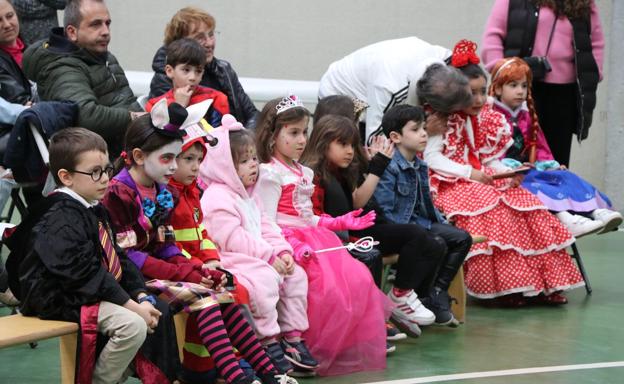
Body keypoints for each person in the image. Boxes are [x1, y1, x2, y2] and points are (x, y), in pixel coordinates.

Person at [102, 102, 293, 384]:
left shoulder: (159, 188)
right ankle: (234, 376)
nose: (175, 166)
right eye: (169, 158)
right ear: (140, 156)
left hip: (156, 272)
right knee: (203, 296)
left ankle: (269, 372)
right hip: (131, 279)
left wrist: (197, 268)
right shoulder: (120, 192)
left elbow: (166, 245)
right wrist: (186, 272)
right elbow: (129, 258)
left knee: (222, 290)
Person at [424, 40, 584, 306]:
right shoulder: (441, 117)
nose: (477, 99)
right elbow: (432, 158)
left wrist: (506, 173)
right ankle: (503, 289)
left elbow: (489, 157)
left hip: (479, 177)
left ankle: (540, 286)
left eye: (482, 91)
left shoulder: (485, 115)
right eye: (470, 93)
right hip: (449, 182)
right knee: (489, 207)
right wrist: (470, 173)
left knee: (527, 204)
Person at [4, 127, 170, 383]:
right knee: (132, 325)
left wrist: (140, 295)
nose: (105, 178)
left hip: (84, 289)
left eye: (106, 169)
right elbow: (81, 273)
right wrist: (132, 306)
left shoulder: (93, 207)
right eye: (95, 172)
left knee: (158, 309)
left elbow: (118, 258)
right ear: (66, 177)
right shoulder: (59, 216)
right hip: (56, 295)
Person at [253, 95, 389, 376]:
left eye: (304, 131)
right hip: (283, 241)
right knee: (319, 284)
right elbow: (265, 220)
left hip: (311, 236)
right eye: (293, 132)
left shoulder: (302, 172)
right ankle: (295, 343)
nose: (302, 139)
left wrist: (339, 221)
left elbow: (307, 216)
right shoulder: (269, 174)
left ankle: (328, 346)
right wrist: (288, 245)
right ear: (271, 136)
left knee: (356, 278)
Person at [302, 111, 470, 334]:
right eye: (343, 144)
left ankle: (411, 298)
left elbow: (356, 203)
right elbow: (328, 213)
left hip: (357, 227)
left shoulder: (342, 170)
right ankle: (386, 306)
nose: (350, 150)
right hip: (340, 235)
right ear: (323, 142)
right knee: (400, 242)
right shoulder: (314, 175)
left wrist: (376, 166)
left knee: (434, 241)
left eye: (352, 144)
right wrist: (378, 167)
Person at [199, 115, 316, 378]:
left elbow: (267, 227)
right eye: (244, 161)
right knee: (262, 280)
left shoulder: (250, 195)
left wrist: (283, 252)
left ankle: (292, 337)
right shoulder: (217, 196)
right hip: (230, 257)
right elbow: (231, 237)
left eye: (254, 158)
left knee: (296, 275)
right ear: (225, 167)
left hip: (259, 254)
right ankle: (267, 342)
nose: (253, 165)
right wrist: (267, 256)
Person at [488, 57, 622, 236]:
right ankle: (566, 218)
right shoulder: (489, 117)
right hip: (506, 173)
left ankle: (595, 211)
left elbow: (541, 147)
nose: (520, 91)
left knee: (564, 176)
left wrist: (550, 163)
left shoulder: (527, 117)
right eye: (513, 85)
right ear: (497, 88)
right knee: (535, 185)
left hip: (529, 167)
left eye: (524, 86)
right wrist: (507, 167)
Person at [481, 0, 605, 167]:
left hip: (564, 93)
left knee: (555, 159)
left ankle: (553, 194)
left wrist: (593, 73)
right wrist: (502, 71)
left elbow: (596, 41)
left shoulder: (584, 3)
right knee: (516, 154)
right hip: (524, 86)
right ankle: (515, 192)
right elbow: (493, 35)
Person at [22, 0, 142, 158]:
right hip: (98, 163)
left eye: (107, 23)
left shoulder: (100, 55)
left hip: (131, 147)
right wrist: (133, 118)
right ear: (72, 32)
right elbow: (87, 116)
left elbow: (126, 101)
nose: (106, 31)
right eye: (96, 24)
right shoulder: (61, 68)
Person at [318, 37, 472, 143]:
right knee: (350, 146)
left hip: (372, 77)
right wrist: (423, 130)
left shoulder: (442, 56)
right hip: (342, 93)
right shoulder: (389, 87)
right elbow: (374, 141)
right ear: (431, 103)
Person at [149, 7, 258, 128]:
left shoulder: (224, 69)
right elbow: (165, 128)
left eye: (211, 35)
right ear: (181, 43)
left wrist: (248, 137)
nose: (209, 43)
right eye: (200, 37)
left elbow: (253, 114)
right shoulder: (165, 77)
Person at [145, 38, 230, 128]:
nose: (193, 77)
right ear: (170, 71)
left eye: (198, 71)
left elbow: (220, 136)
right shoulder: (156, 105)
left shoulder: (216, 99)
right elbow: (157, 140)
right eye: (186, 70)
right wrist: (179, 107)